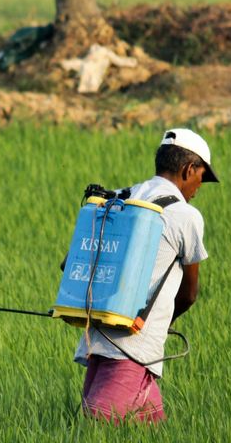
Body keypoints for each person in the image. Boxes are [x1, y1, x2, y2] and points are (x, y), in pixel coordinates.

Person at [74, 128, 217, 423]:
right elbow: (189, 294)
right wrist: (162, 324)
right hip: (134, 346)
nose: (198, 188)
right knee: (99, 426)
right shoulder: (185, 215)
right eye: (202, 177)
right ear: (189, 169)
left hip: (98, 335)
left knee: (148, 435)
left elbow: (74, 262)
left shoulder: (120, 197)